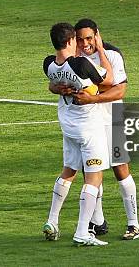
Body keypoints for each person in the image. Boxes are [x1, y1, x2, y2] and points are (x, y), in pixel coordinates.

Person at [49, 19, 139, 240]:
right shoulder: (71, 58)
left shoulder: (112, 55)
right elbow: (52, 82)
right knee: (89, 171)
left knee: (120, 169)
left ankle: (133, 223)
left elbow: (119, 91)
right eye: (80, 39)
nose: (85, 43)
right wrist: (56, 88)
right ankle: (96, 222)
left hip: (111, 119)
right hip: (86, 123)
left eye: (89, 38)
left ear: (97, 36)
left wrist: (93, 99)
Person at [42, 22, 113, 246]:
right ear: (71, 41)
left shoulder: (48, 64)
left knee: (68, 171)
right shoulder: (81, 64)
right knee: (94, 177)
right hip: (89, 128)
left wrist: (57, 88)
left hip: (68, 126)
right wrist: (100, 49)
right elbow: (108, 80)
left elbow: (53, 85)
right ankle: (83, 231)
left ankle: (52, 221)